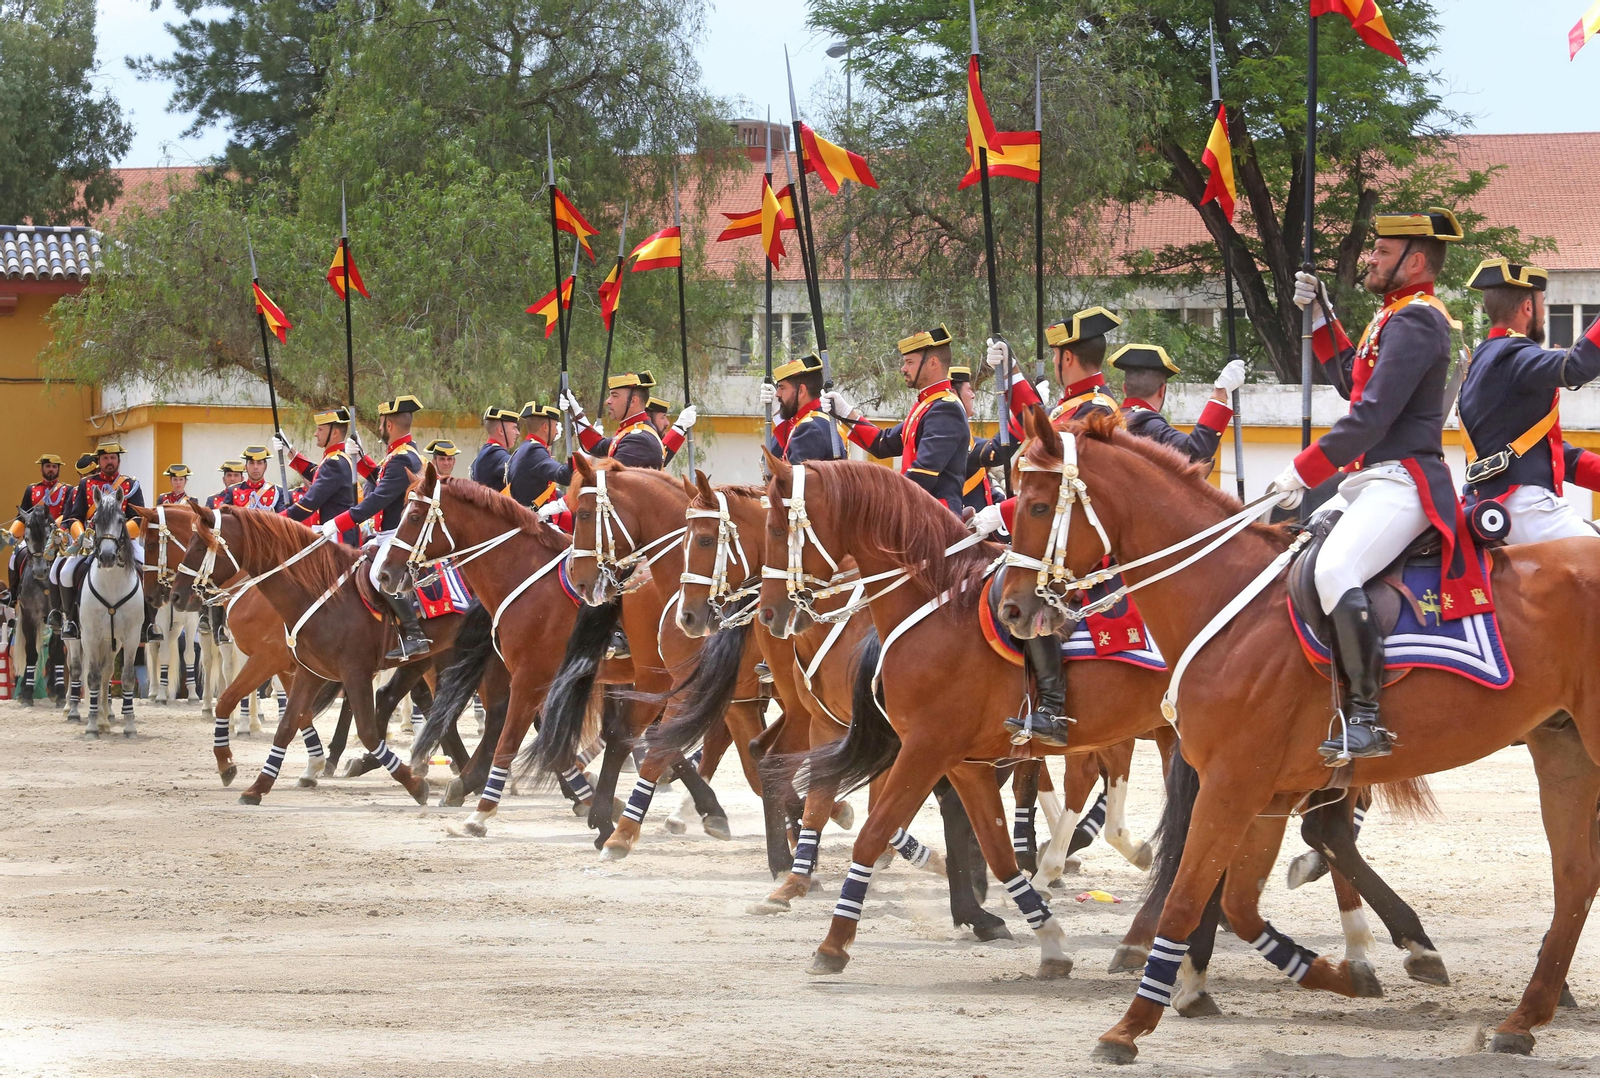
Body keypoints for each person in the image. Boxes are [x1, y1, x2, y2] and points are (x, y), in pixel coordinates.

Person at [1268, 206, 1477, 763]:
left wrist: (1302, 469)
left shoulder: (1419, 319)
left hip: (1403, 480)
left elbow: (1372, 418)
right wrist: (1318, 314)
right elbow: (1349, 381)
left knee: (1337, 569)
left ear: (1415, 262)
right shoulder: (1394, 315)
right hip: (1368, 481)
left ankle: (1366, 717)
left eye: (1383, 253)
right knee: (1287, 551)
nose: (1372, 258)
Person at [1457, 257, 1600, 543]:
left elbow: (1550, 455)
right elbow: (1575, 367)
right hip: (1523, 505)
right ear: (1527, 308)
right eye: (1543, 305)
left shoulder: (1483, 360)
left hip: (1497, 500)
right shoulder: (1513, 353)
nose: (1544, 315)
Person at [319, 395, 429, 661]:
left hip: (398, 534)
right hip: (385, 534)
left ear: (388, 425)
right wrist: (360, 458)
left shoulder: (402, 458)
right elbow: (379, 479)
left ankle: (414, 635)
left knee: (379, 575)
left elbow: (379, 498)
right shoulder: (400, 455)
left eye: (381, 423)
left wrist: (337, 522)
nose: (380, 428)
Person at [820, 324, 971, 516]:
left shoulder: (945, 408)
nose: (903, 368)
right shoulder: (928, 405)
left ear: (933, 363)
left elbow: (922, 474)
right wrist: (845, 412)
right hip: (916, 510)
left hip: (934, 517)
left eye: (909, 362)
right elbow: (882, 443)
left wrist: (878, 497)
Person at [53, 440, 146, 640]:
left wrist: (121, 535)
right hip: (92, 541)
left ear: (118, 460)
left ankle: (149, 624)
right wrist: (81, 537)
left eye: (113, 458)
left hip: (125, 541)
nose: (109, 461)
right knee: (64, 571)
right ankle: (70, 621)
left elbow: (138, 517)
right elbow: (74, 517)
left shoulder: (131, 484)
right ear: (99, 461)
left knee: (149, 568)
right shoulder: (87, 484)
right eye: (105, 458)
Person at [1112, 344, 1245, 465]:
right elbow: (1195, 452)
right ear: (1162, 390)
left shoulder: (1109, 419)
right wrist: (1220, 392)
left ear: (1125, 388)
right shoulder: (1146, 423)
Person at [276, 407, 359, 545]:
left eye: (320, 429)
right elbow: (315, 473)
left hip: (337, 538)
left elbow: (309, 504)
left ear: (335, 433)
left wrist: (276, 520)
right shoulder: (335, 458)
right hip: (329, 533)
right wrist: (289, 451)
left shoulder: (335, 462)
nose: (315, 434)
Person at [560, 372, 666, 468]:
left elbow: (609, 480)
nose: (608, 401)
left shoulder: (639, 439)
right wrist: (575, 411)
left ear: (633, 401)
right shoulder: (633, 432)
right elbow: (597, 446)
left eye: (614, 395)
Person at [759, 352, 848, 464]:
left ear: (801, 391)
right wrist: (778, 414)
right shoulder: (821, 420)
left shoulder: (810, 429)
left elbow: (789, 478)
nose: (777, 394)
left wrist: (778, 414)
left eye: (782, 388)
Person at [9, 453, 68, 600]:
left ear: (58, 470)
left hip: (58, 536)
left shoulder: (67, 490)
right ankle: (12, 595)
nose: (51, 469)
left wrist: (55, 526)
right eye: (47, 466)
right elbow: (21, 516)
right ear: (41, 469)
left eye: (54, 467)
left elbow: (68, 514)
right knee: (14, 556)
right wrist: (10, 534)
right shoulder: (32, 489)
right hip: (34, 536)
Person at [505, 400, 572, 513]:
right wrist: (585, 451)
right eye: (555, 426)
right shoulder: (534, 450)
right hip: (536, 520)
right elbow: (564, 476)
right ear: (545, 427)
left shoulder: (524, 448)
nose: (556, 432)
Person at [217, 445, 286, 511]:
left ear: (265, 466)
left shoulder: (277, 491)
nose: (255, 467)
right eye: (252, 463)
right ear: (246, 467)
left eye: (259, 463)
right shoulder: (233, 491)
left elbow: (281, 520)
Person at [471, 407, 518, 488]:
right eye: (514, 428)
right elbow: (520, 469)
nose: (518, 433)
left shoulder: (487, 451)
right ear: (501, 431)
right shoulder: (494, 454)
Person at [646, 396, 699, 467]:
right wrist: (679, 427)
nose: (667, 423)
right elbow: (656, 459)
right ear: (649, 420)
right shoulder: (637, 440)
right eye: (663, 417)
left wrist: (681, 428)